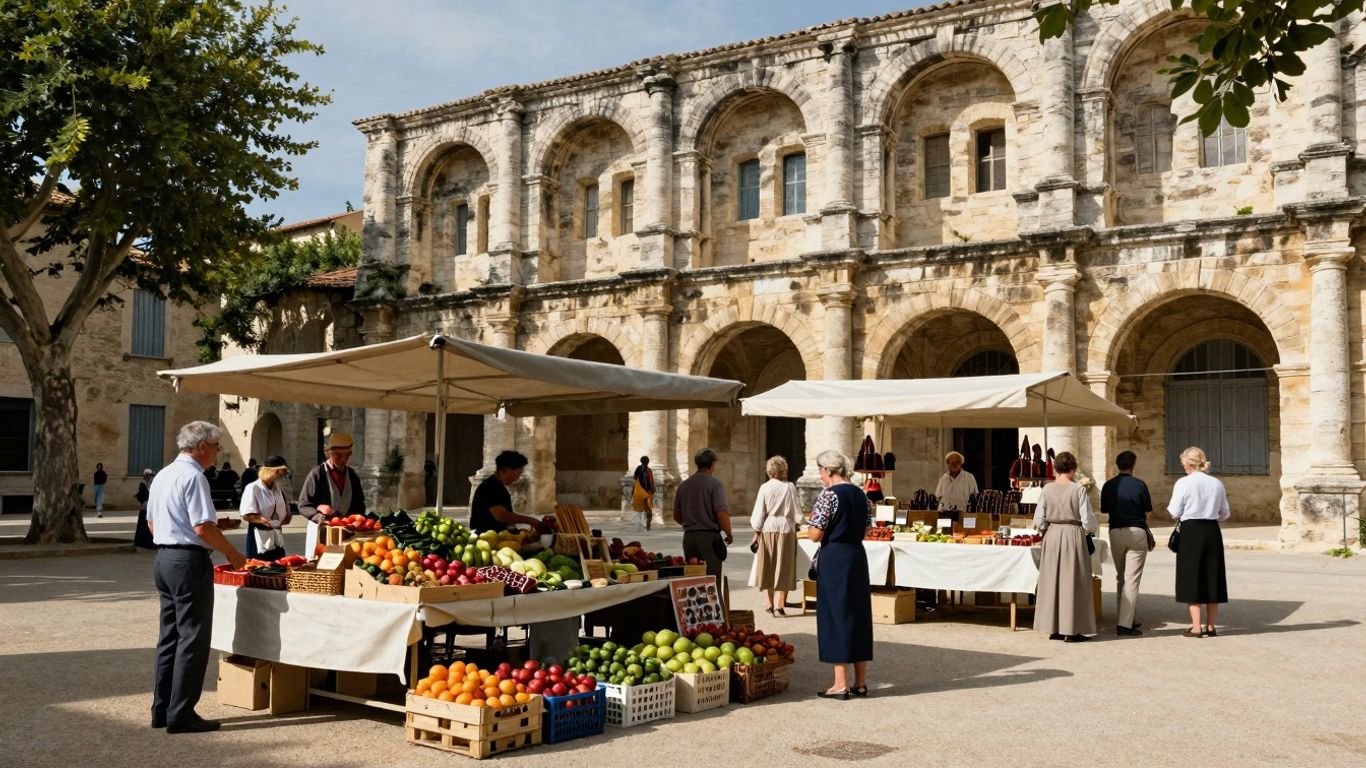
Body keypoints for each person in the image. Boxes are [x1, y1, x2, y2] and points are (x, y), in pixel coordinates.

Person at [148, 420, 246, 733]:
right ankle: (182, 713)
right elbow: (202, 527)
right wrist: (232, 553)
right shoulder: (194, 476)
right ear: (202, 446)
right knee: (193, 637)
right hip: (188, 561)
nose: (217, 454)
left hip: (164, 557)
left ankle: (162, 709)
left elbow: (153, 522)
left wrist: (212, 529)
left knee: (170, 636)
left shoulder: (164, 474)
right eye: (216, 447)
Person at [808, 450, 873, 699]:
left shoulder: (829, 496)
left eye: (821, 472)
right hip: (857, 556)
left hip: (835, 557)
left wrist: (814, 526)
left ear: (827, 470)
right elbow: (867, 528)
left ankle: (840, 683)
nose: (822, 476)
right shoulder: (861, 494)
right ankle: (861, 682)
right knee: (858, 615)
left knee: (836, 615)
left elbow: (815, 534)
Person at [1032, 451, 1098, 642]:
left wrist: (1045, 528)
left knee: (1052, 580)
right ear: (1073, 468)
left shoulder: (1047, 489)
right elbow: (1088, 520)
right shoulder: (1078, 489)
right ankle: (1072, 630)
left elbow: (1039, 519)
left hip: (1052, 535)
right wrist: (1090, 531)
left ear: (1056, 468)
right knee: (1073, 581)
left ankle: (1054, 628)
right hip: (1072, 534)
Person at [1168, 446, 1230, 638]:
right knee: (1213, 575)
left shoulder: (1183, 483)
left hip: (1191, 530)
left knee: (1191, 575)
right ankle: (1211, 626)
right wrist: (1211, 517)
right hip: (1211, 530)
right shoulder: (1217, 483)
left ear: (1187, 463)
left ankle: (1196, 626)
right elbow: (1225, 512)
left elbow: (1174, 511)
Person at [1101, 450, 1153, 636]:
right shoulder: (1140, 485)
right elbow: (1148, 512)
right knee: (1131, 579)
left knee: (1121, 576)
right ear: (1133, 465)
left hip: (1115, 531)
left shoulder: (1108, 485)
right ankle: (1125, 623)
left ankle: (1125, 617)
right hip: (1136, 531)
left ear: (1117, 464)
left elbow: (1105, 510)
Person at [298, 432, 366, 557]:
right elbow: (304, 504)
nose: (343, 460)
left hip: (346, 532)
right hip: (322, 531)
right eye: (338, 456)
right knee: (321, 563)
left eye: (347, 456)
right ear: (329, 454)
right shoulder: (316, 474)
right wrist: (319, 511)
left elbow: (359, 504)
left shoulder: (352, 475)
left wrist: (356, 521)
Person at [749, 456, 801, 616]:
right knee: (785, 566)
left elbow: (759, 513)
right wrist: (801, 523)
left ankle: (769, 604)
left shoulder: (765, 487)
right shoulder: (790, 487)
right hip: (786, 528)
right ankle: (780, 605)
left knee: (768, 566)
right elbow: (796, 512)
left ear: (769, 471)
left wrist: (756, 533)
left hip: (769, 528)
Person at [672, 448, 734, 578]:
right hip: (708, 538)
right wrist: (728, 533)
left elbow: (677, 515)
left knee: (693, 579)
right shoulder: (715, 485)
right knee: (711, 581)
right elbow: (721, 512)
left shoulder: (684, 485)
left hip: (689, 538)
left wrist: (691, 522)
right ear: (712, 465)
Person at [470, 450, 541, 533]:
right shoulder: (491, 487)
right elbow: (501, 516)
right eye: (518, 473)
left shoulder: (497, 486)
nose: (518, 478)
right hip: (488, 536)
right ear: (504, 470)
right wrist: (532, 521)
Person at [241, 455, 292, 560]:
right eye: (281, 471)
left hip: (276, 535)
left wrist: (286, 515)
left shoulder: (278, 489)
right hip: (258, 537)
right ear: (272, 471)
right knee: (259, 571)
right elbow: (247, 514)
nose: (283, 474)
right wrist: (261, 520)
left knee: (278, 568)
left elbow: (286, 512)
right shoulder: (253, 488)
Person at [631, 455, 656, 532]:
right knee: (649, 510)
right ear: (648, 462)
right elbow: (651, 482)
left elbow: (635, 480)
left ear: (641, 461)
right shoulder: (649, 470)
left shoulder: (638, 469)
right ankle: (648, 526)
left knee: (638, 510)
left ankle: (639, 526)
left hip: (639, 491)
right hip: (647, 492)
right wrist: (652, 490)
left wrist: (633, 491)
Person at [133, 469, 155, 550]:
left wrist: (138, 495)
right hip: (149, 507)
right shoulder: (154, 483)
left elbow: (142, 495)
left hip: (146, 507)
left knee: (145, 525)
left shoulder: (144, 483)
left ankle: (144, 542)